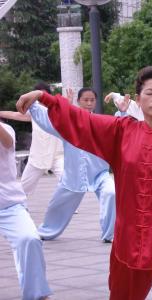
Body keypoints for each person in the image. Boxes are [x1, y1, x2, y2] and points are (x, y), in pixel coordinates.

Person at [16, 66, 152, 299]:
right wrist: (45, 97)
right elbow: (81, 121)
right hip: (133, 236)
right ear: (138, 99)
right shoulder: (120, 131)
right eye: (149, 92)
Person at [26, 87, 115, 243]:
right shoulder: (69, 123)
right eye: (85, 100)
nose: (88, 103)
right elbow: (49, 121)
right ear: (78, 101)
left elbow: (121, 129)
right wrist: (33, 104)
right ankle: (46, 231)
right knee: (57, 206)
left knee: (111, 193)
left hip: (100, 174)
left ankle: (110, 235)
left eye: (92, 100)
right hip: (74, 175)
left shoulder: (100, 122)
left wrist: (122, 112)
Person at [0, 120, 52, 299]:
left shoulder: (5, 130)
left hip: (8, 205)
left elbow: (7, 142)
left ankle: (36, 294)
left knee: (29, 239)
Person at [0, 82, 64, 196]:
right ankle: (18, 206)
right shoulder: (34, 113)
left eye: (44, 96)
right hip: (37, 157)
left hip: (57, 156)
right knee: (24, 187)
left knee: (67, 182)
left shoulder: (58, 111)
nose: (41, 100)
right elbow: (15, 115)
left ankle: (67, 207)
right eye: (38, 98)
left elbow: (71, 113)